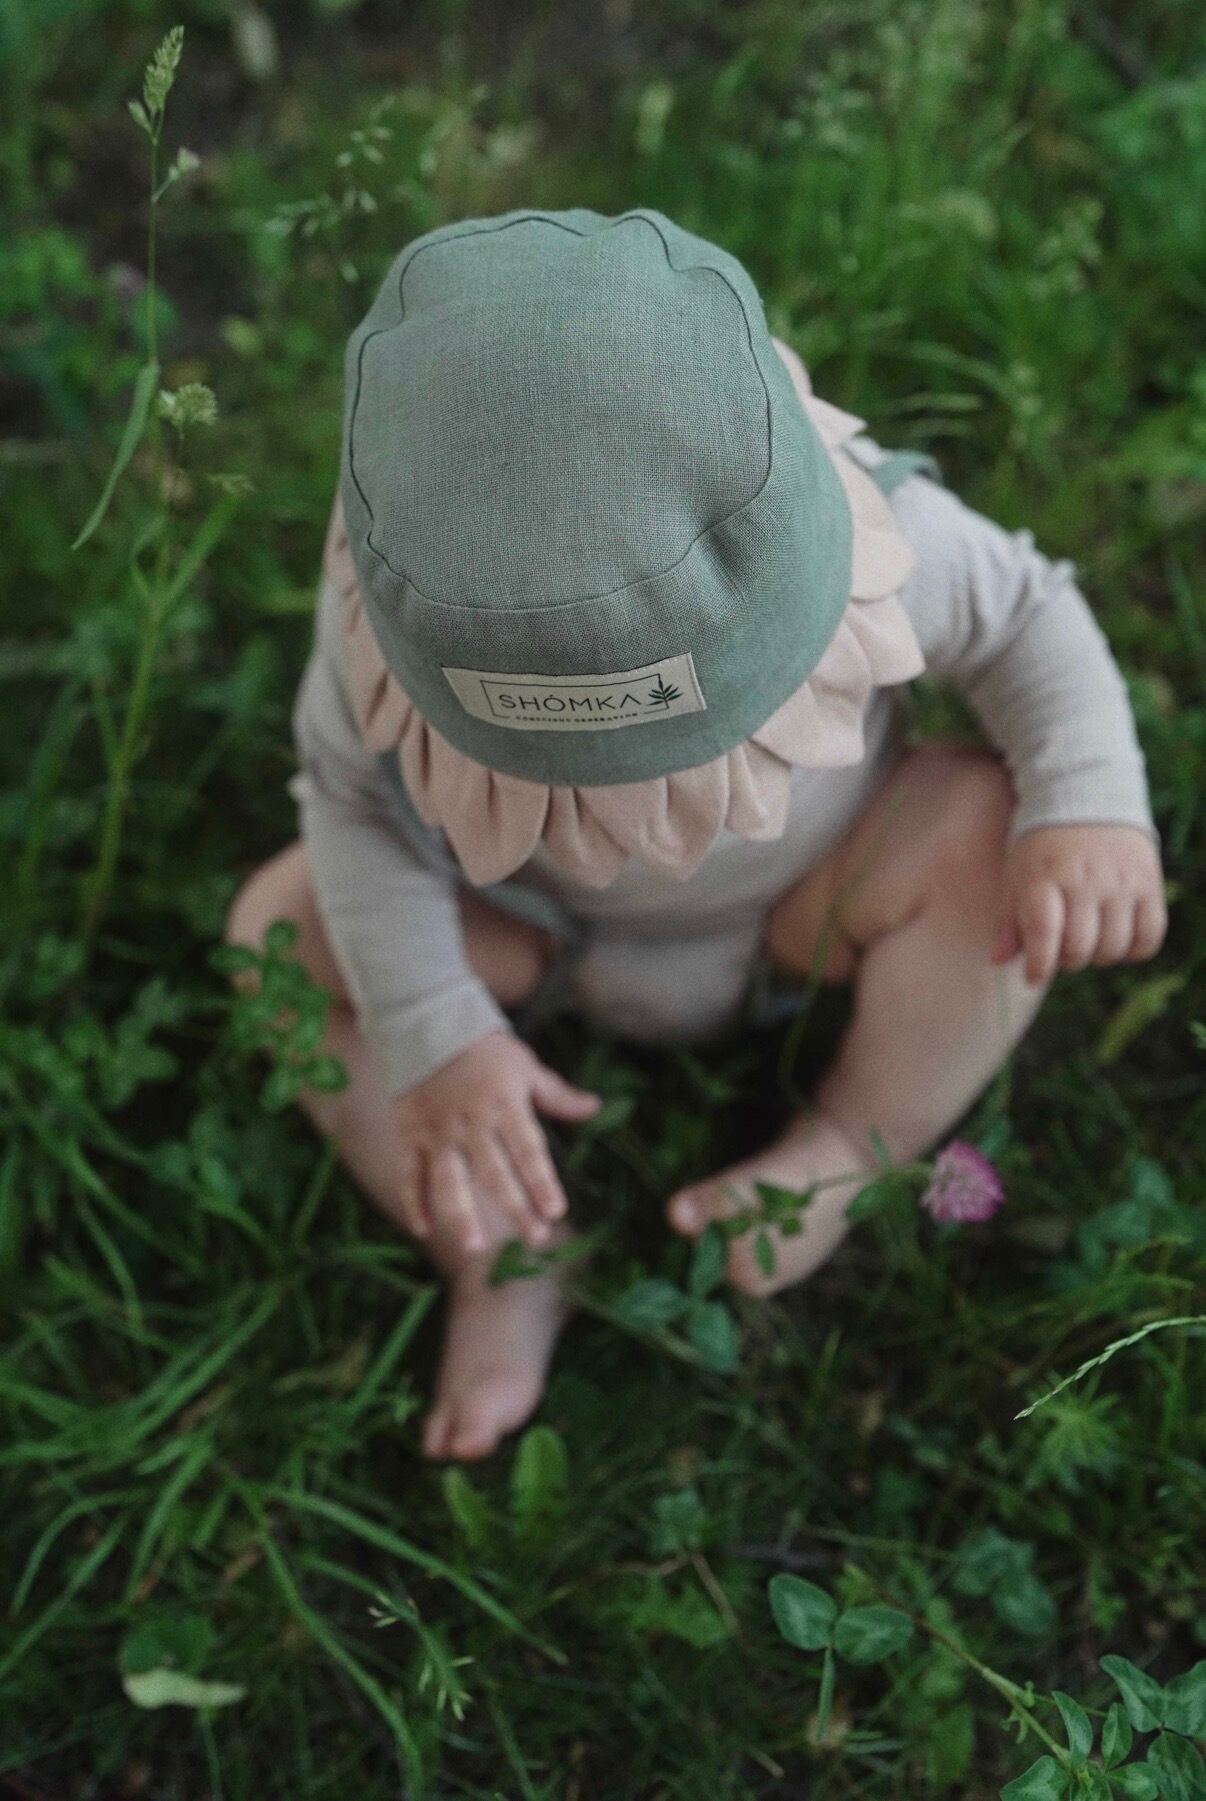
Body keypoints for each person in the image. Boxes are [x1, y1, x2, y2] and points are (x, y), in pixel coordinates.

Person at [226, 209, 1166, 1462]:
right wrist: (432, 1028)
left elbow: (1026, 615)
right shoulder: (382, 635)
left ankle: (845, 1147)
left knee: (985, 837)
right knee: (276, 934)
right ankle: (501, 1247)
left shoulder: (875, 540)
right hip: (535, 926)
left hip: (815, 901)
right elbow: (351, 806)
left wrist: (1089, 799)